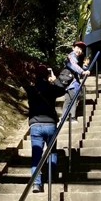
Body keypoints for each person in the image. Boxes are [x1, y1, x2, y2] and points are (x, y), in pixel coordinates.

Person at [26, 64, 67, 193]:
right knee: (52, 152)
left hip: (35, 126)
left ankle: (37, 184)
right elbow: (62, 89)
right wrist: (54, 79)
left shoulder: (31, 89)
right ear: (47, 75)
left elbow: (21, 80)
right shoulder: (51, 88)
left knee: (36, 156)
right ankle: (51, 177)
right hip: (50, 125)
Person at [61, 41, 90, 121]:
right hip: (72, 82)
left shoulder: (76, 58)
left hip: (69, 82)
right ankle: (72, 117)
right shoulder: (71, 56)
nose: (79, 50)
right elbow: (72, 65)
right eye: (77, 48)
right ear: (73, 48)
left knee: (68, 100)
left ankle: (64, 117)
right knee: (73, 99)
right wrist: (83, 71)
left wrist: (84, 68)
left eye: (81, 49)